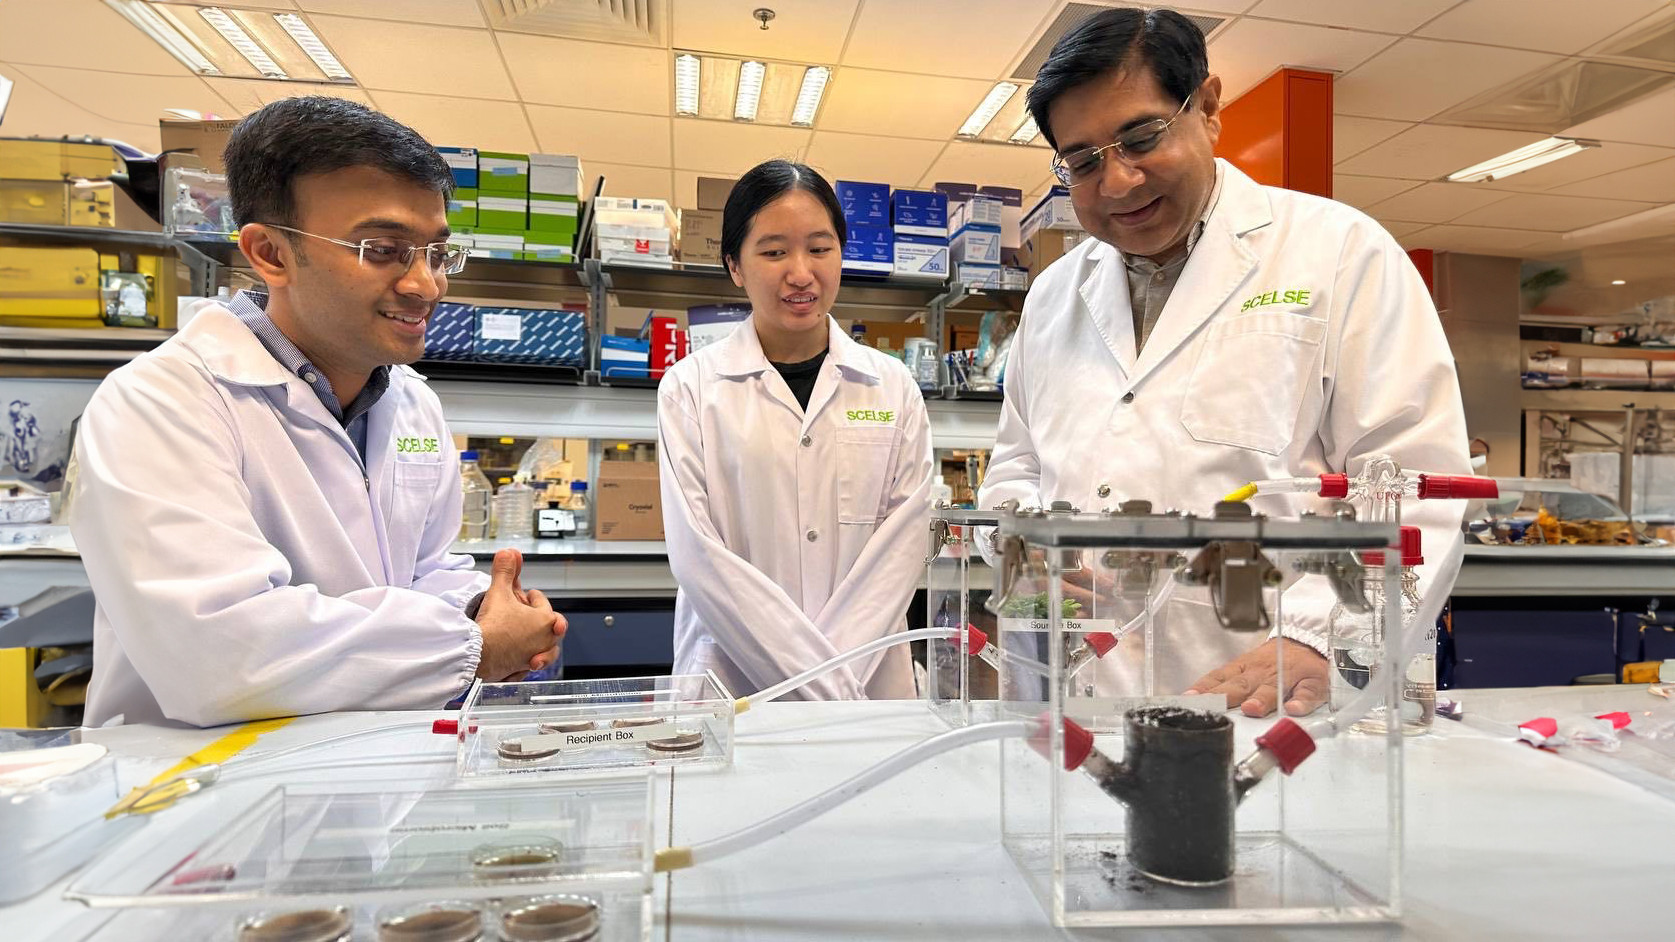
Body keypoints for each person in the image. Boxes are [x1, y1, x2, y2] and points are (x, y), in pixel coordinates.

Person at [979, 8, 1471, 717]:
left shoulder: (1339, 254)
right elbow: (1017, 470)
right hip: (1079, 699)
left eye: (1140, 137)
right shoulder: (1056, 292)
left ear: (1205, 108)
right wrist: (1030, 558)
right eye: (1082, 161)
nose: (1116, 183)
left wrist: (1316, 635)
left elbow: (1413, 484)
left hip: (1270, 699)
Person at [71, 97, 565, 727]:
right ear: (270, 253)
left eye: (438, 252)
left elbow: (424, 567)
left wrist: (488, 609)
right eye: (384, 249)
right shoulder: (160, 403)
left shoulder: (412, 402)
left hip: (366, 775)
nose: (426, 285)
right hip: (207, 795)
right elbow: (218, 656)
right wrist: (468, 648)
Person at [657, 160, 933, 699]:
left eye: (820, 248)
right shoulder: (690, 388)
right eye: (775, 251)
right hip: (733, 683)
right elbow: (700, 558)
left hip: (866, 679)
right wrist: (818, 681)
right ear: (734, 265)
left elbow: (901, 547)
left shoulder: (892, 386)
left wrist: (827, 681)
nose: (801, 272)